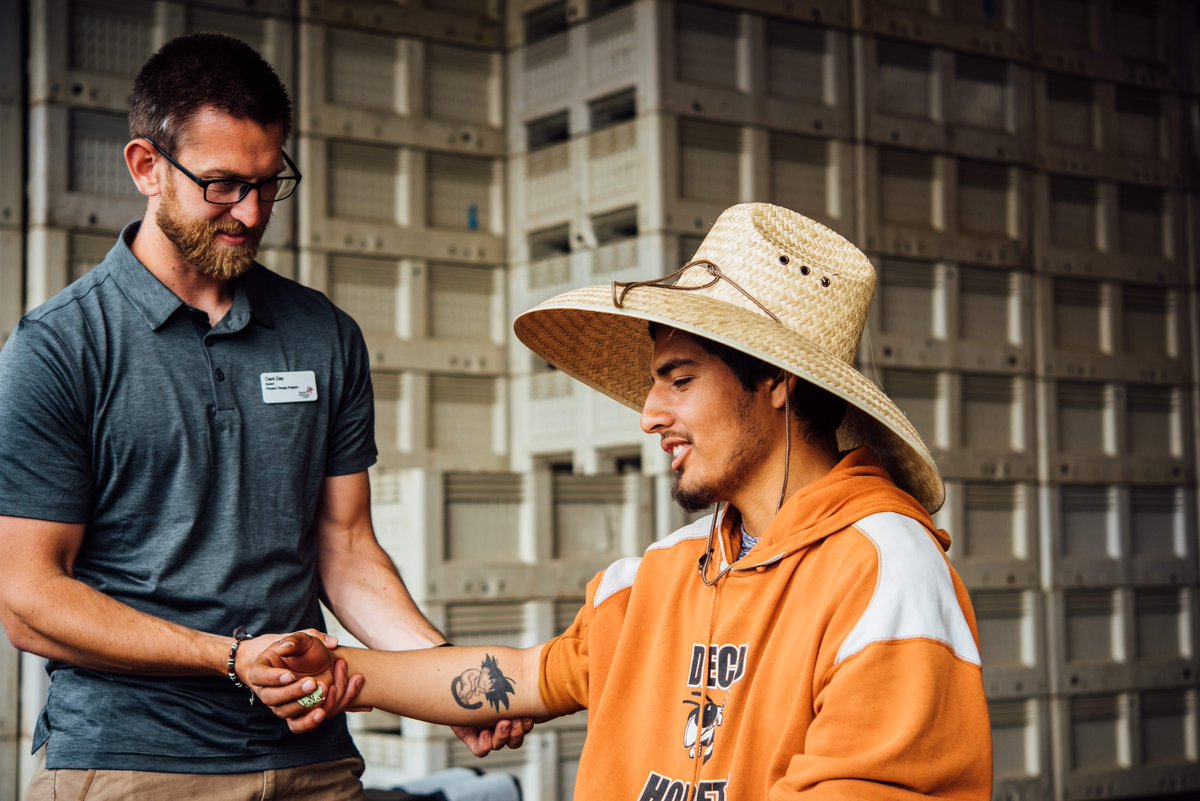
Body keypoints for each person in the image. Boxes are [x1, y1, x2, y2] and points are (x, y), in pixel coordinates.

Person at [251, 203, 994, 798]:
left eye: (680, 380)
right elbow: (527, 675)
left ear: (776, 380)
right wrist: (338, 671)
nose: (649, 414)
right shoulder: (661, 574)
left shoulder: (885, 570)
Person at [0, 33, 528, 800]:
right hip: (132, 762)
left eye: (268, 183)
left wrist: (445, 678)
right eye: (221, 185)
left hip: (312, 754)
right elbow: (28, 599)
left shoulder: (322, 334)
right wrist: (229, 656)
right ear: (146, 167)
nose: (249, 212)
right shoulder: (59, 347)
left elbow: (346, 549)